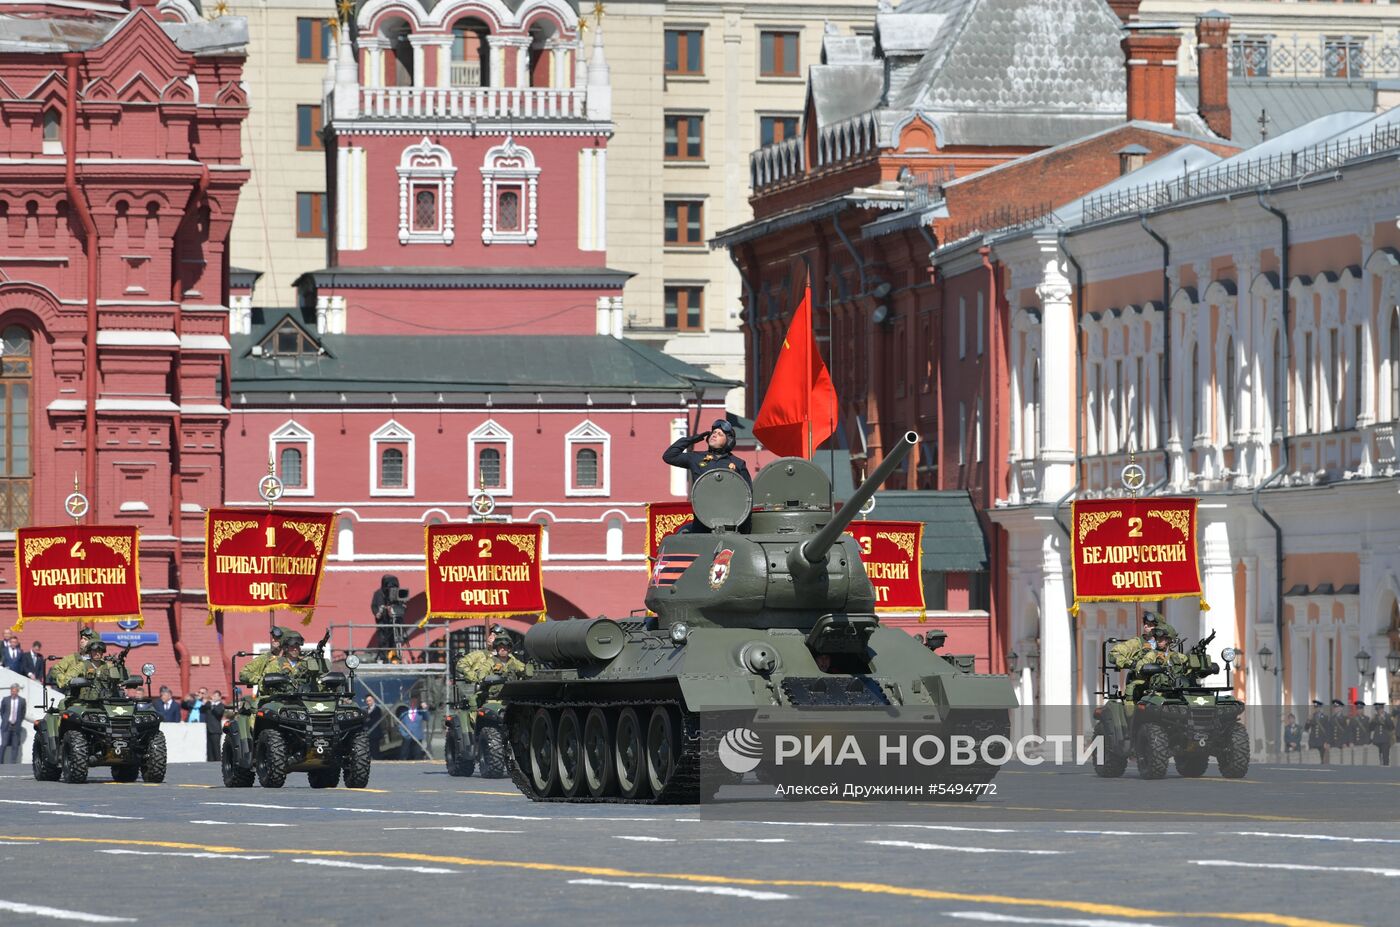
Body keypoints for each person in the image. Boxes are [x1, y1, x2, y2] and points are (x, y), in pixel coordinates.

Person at [663, 419, 752, 493]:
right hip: (702, 507)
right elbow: (669, 456)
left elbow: (748, 492)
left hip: (728, 507)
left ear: (729, 441)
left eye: (720, 434)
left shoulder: (738, 463)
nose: (714, 435)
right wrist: (693, 439)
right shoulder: (696, 458)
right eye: (713, 432)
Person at [0, 683, 25, 764]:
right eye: (12, 691)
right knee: (4, 744)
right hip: (6, 725)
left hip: (16, 726)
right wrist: (5, 720)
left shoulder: (22, 701)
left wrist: (18, 722)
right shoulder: (5, 700)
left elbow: (22, 713)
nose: (13, 693)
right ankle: (0, 762)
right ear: (10, 691)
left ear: (18, 691)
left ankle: (13, 764)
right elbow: (2, 711)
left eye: (15, 691)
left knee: (15, 745)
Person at [201, 691, 226, 762]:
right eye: (213, 696)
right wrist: (203, 703)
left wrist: (212, 705)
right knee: (209, 748)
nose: (213, 697)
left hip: (216, 730)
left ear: (219, 697)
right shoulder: (209, 704)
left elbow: (218, 713)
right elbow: (202, 710)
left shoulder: (221, 705)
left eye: (215, 696)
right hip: (209, 728)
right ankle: (210, 762)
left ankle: (218, 762)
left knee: (216, 748)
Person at [1306, 700, 1331, 765]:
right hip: (1313, 741)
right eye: (1316, 707)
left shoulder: (1325, 717)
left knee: (1321, 759)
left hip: (1321, 741)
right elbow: (1306, 728)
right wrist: (1308, 720)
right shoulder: (1312, 716)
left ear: (1321, 708)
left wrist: (1327, 742)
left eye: (1318, 707)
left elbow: (1328, 730)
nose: (1317, 709)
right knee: (1312, 758)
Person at [1371, 702, 1395, 767]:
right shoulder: (1375, 717)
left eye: (1379, 709)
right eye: (1377, 710)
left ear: (1382, 709)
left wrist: (1384, 719)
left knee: (1385, 757)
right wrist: (1373, 720)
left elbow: (1391, 727)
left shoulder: (1388, 716)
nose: (1378, 711)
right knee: (1376, 758)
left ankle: (1386, 770)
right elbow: (1371, 728)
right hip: (1376, 740)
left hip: (1385, 740)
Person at [363, 693, 386, 758]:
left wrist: (367, 721)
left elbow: (375, 721)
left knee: (375, 750)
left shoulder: (377, 709)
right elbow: (364, 721)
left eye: (370, 700)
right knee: (369, 750)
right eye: (367, 701)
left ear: (373, 700)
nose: (368, 702)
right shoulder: (366, 710)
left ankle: (377, 760)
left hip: (375, 733)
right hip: (368, 733)